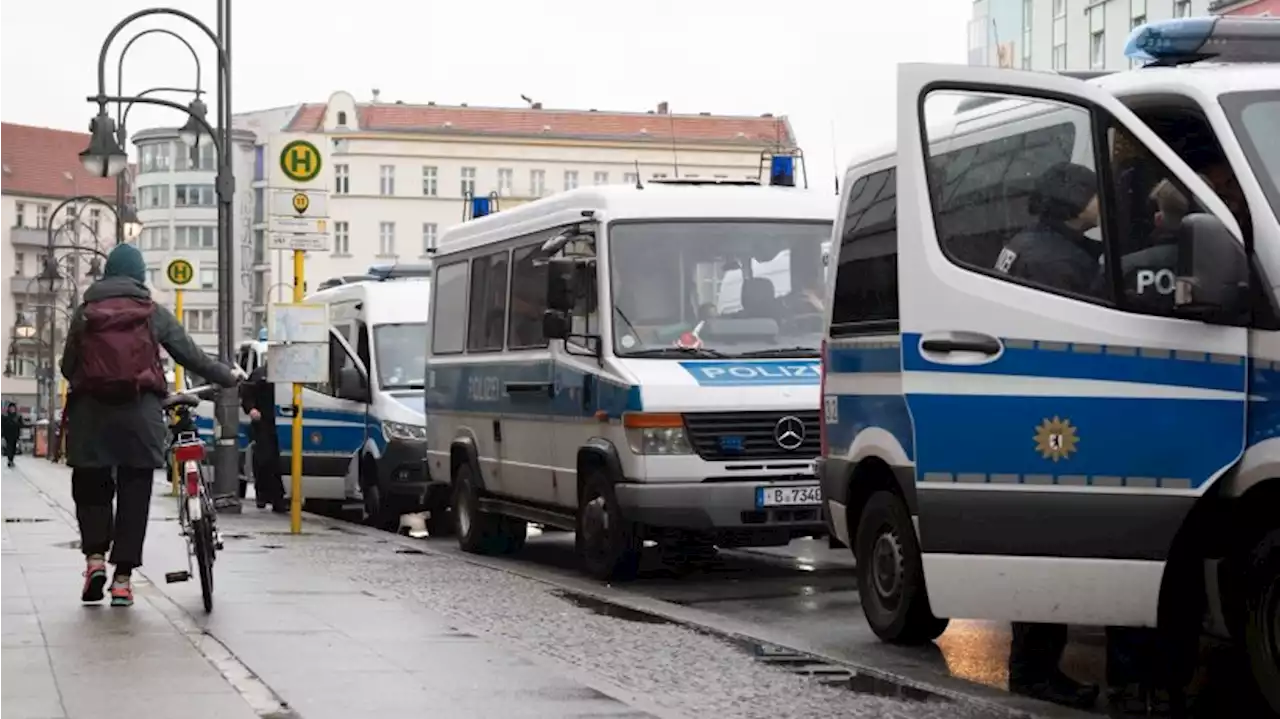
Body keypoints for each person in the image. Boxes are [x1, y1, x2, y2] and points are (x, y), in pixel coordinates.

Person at [61, 243, 239, 608]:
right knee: (135, 493)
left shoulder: (84, 314)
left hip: (91, 415)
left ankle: (94, 560)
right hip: (139, 416)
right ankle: (123, 580)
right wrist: (227, 376)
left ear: (107, 274)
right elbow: (190, 355)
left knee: (92, 487)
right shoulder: (151, 313)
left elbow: (67, 366)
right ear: (140, 276)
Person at [995, 162, 1104, 710]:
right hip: (1055, 419)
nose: (1098, 199)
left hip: (1029, 413)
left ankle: (1031, 666)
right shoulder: (1060, 260)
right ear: (1070, 201)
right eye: (1090, 192)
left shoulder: (1024, 244)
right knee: (1054, 540)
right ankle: (1036, 673)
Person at [994, 162, 1103, 299]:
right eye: (1098, 194)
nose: (1106, 200)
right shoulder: (1058, 263)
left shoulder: (1032, 237)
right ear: (1078, 202)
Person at [239, 361, 286, 513]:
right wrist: (251, 408)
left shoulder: (289, 373)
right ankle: (265, 495)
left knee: (276, 461)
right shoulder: (260, 374)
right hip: (264, 422)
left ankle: (277, 498)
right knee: (265, 459)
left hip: (283, 422)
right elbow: (247, 392)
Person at [0, 403, 23, 467]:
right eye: (11, 408)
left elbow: (21, 425)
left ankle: (11, 460)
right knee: (9, 447)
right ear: (9, 408)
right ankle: (10, 460)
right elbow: (1, 425)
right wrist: (2, 435)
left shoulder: (18, 416)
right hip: (7, 435)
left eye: (13, 408)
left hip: (15, 435)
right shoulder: (5, 416)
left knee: (13, 448)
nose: (12, 409)